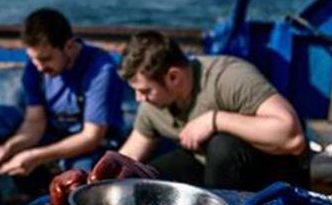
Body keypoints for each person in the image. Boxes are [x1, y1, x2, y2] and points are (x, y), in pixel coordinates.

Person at [113, 30, 307, 191]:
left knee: (222, 146)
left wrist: (215, 120)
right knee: (149, 177)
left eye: (145, 91)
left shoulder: (229, 77)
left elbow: (293, 137)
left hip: (273, 176)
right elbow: (131, 154)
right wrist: (102, 181)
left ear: (173, 77)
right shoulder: (152, 105)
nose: (139, 99)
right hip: (211, 171)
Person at [0, 8, 125, 194]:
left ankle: (51, 178)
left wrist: (35, 156)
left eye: (46, 59)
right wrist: (8, 148)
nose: (40, 67)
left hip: (91, 144)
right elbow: (34, 122)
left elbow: (91, 137)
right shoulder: (36, 66)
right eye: (33, 59)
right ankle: (32, 186)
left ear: (69, 46)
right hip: (51, 133)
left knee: (85, 181)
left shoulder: (100, 70)